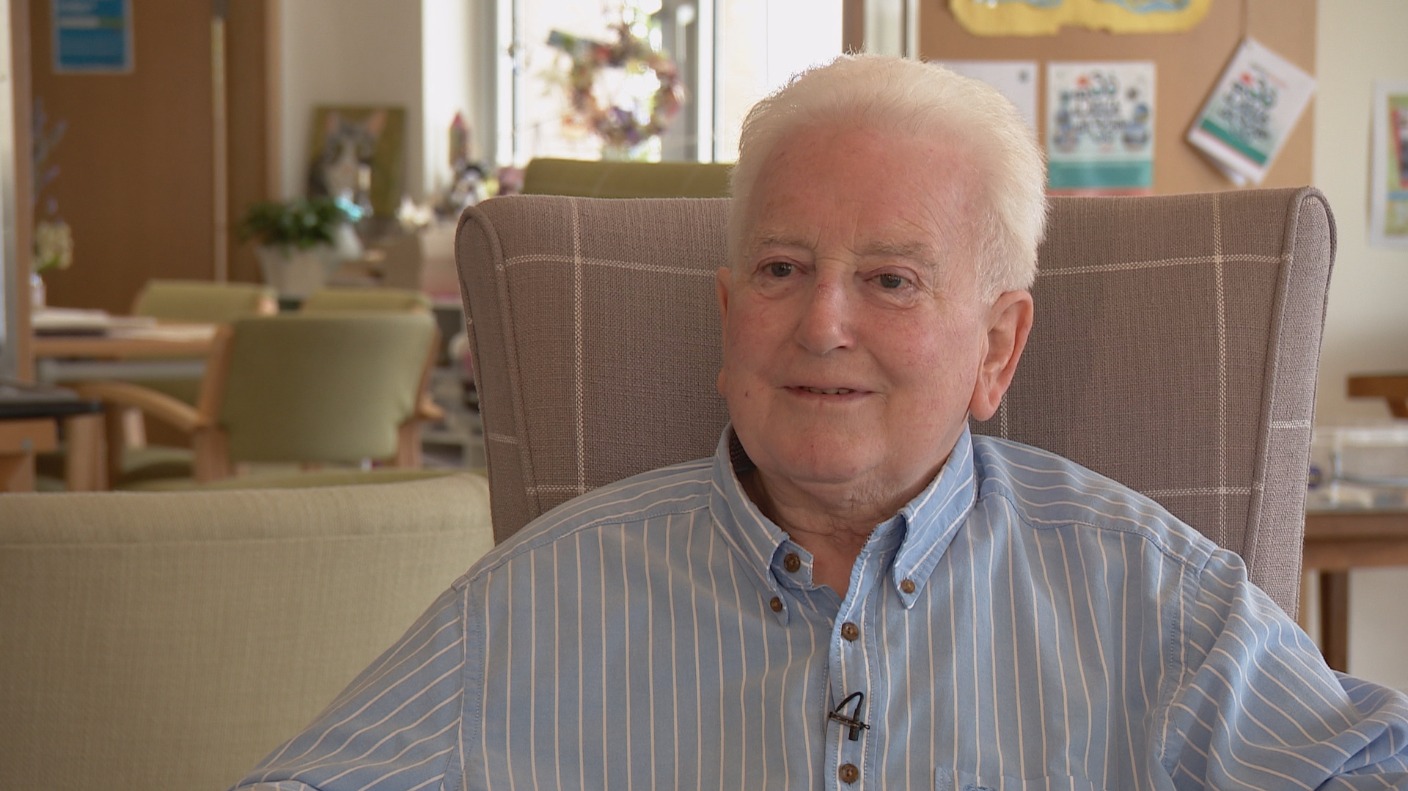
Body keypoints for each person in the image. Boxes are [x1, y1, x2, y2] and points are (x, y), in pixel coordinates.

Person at [233, 55, 1408, 789]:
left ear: (996, 348)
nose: (823, 323)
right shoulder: (529, 605)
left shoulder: (1157, 600)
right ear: (729, 314)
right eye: (782, 268)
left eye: (891, 279)